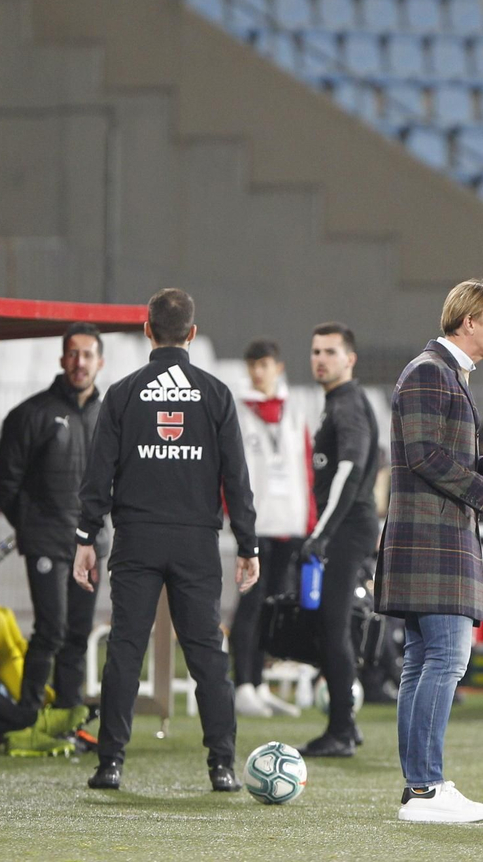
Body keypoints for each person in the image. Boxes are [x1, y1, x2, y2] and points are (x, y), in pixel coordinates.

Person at [74, 288, 260, 792]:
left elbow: (99, 474)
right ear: (192, 334)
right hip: (197, 543)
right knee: (207, 657)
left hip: (136, 539)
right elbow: (236, 478)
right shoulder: (216, 393)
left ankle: (109, 763)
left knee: (125, 652)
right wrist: (249, 545)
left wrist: (86, 536)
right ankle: (222, 766)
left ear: (147, 330)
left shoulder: (123, 392)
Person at [375, 279, 483, 823]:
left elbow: (440, 455)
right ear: (470, 322)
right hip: (432, 540)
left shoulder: (443, 374)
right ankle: (424, 788)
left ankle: (421, 784)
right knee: (443, 658)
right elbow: (422, 455)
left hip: (436, 537)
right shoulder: (429, 372)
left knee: (425, 661)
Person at [0, 323, 107, 719]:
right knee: (51, 630)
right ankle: (28, 717)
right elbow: (5, 480)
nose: (80, 362)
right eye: (73, 354)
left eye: (88, 355)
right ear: (62, 360)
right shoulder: (31, 414)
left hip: (91, 546)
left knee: (78, 634)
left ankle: (68, 719)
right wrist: (30, 525)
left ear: (100, 362)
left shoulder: (112, 418)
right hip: (46, 542)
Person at [298, 322, 381, 758]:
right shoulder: (340, 402)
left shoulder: (347, 404)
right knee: (335, 627)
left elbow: (349, 471)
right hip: (348, 527)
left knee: (334, 628)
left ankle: (341, 730)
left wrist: (320, 533)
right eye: (315, 352)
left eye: (330, 351)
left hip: (348, 530)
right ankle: (344, 722)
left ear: (349, 358)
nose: (320, 359)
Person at [230, 337, 311, 720]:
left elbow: (306, 466)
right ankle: (241, 684)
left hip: (290, 521)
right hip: (256, 522)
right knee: (249, 603)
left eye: (264, 365)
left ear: (278, 367)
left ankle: (259, 683)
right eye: (252, 366)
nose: (257, 372)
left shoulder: (296, 410)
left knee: (273, 606)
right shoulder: (238, 411)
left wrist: (308, 521)